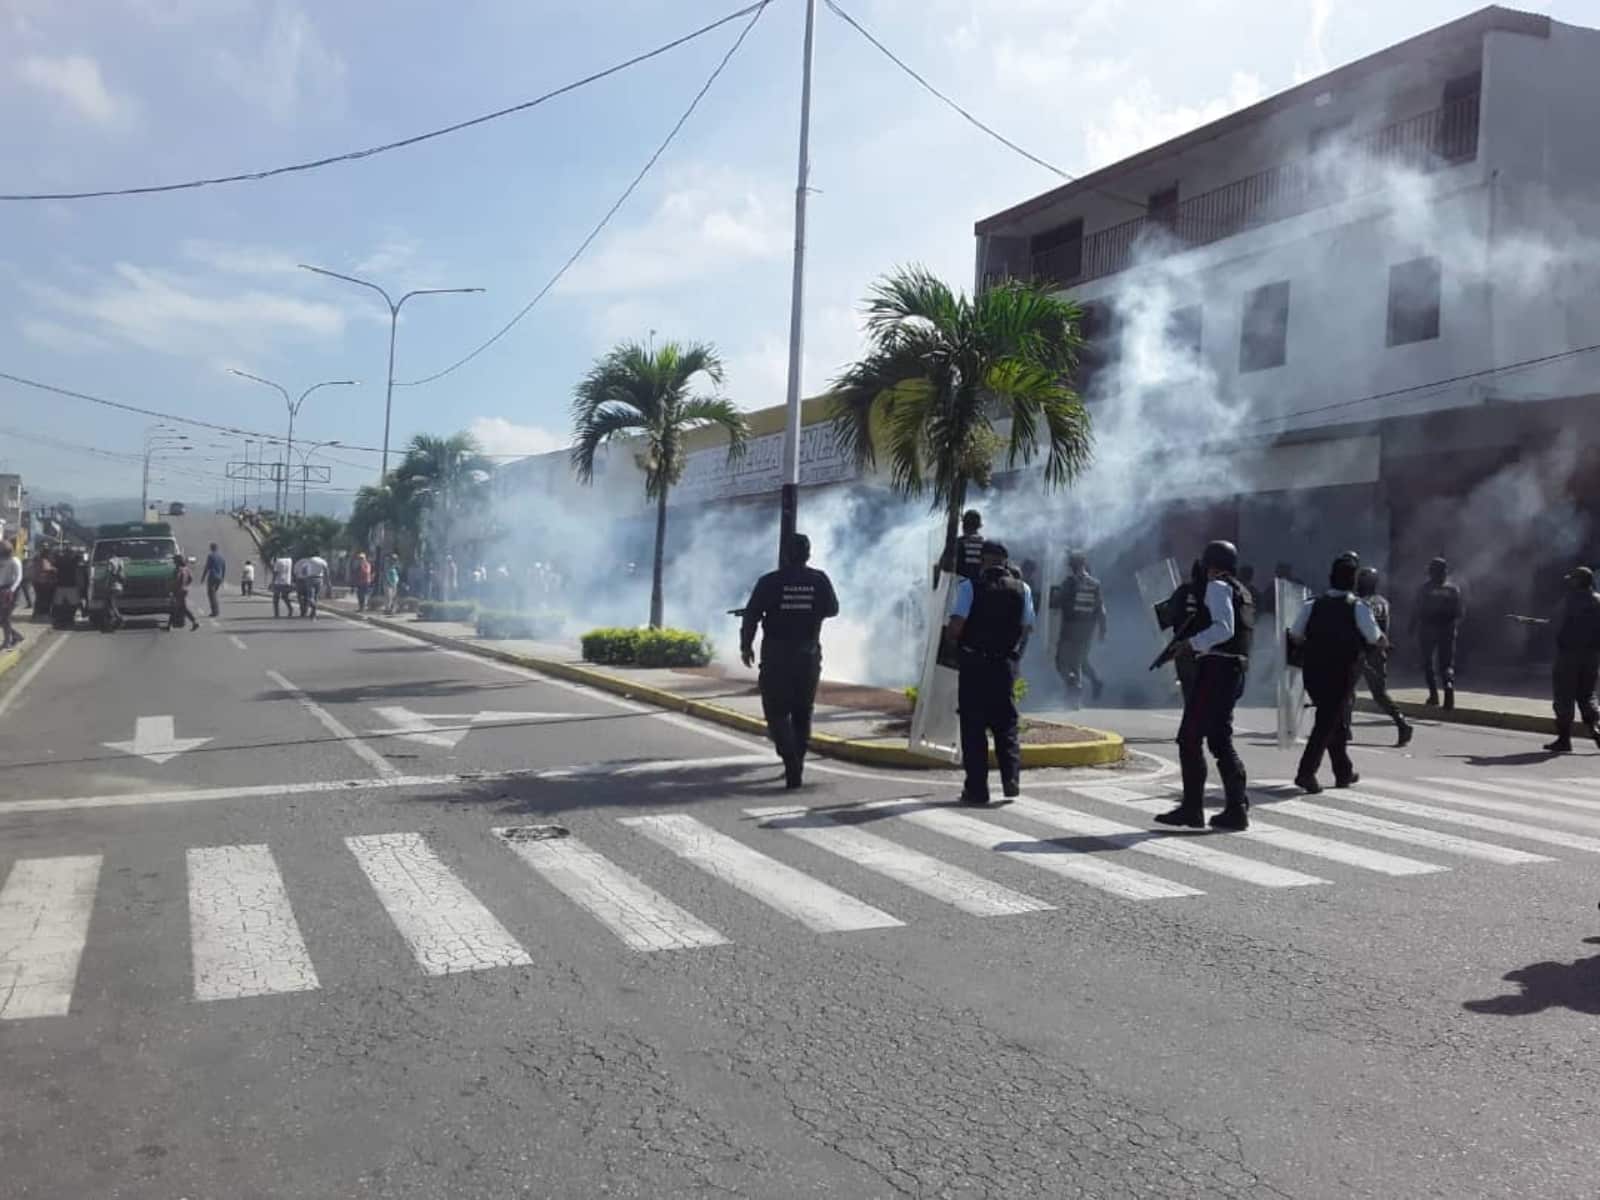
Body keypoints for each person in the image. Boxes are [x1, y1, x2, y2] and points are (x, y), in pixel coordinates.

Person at [1155, 540, 1254, 831]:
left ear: (1210, 564)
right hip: (1233, 669)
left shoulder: (1218, 587)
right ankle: (1236, 809)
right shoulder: (1242, 591)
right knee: (1220, 740)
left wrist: (1191, 643)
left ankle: (1192, 809)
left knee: (1189, 738)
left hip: (1216, 669)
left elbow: (1224, 628)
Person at [739, 533, 841, 789]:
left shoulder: (769, 582)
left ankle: (789, 758)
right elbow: (832, 609)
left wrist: (746, 645)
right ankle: (797, 763)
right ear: (808, 554)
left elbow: (751, 615)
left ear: (785, 554)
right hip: (807, 655)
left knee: (775, 711)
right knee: (802, 711)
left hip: (776, 655)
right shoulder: (819, 580)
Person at [946, 540, 1035, 806]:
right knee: (1006, 724)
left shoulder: (969, 587)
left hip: (975, 665)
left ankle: (977, 789)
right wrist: (1015, 656)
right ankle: (1011, 779)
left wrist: (955, 644)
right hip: (1005, 665)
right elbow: (1027, 627)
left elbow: (956, 627)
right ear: (1005, 562)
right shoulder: (1023, 588)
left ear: (983, 560)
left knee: (973, 727)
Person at [1289, 555, 1384, 793]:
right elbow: (1374, 637)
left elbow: (1296, 634)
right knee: (1326, 722)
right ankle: (1306, 773)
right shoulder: (1358, 606)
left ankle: (1343, 771)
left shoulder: (1313, 605)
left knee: (1335, 720)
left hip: (1313, 672)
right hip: (1341, 673)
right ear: (1352, 581)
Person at [1354, 567, 1412, 747]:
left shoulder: (1359, 603)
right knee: (1379, 694)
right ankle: (1401, 722)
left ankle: (1344, 727)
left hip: (1360, 651)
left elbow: (1359, 628)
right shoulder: (1383, 602)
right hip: (1378, 651)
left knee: (1347, 690)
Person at [1545, 565, 1600, 753]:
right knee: (1587, 695)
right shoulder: (1598, 601)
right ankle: (1595, 729)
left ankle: (1564, 739)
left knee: (1564, 696)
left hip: (1569, 655)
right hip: (1592, 656)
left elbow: (1555, 623)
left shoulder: (1568, 601)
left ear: (1578, 582)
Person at [1051, 550, 1107, 705]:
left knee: (1061, 662)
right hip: (1087, 631)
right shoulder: (1095, 584)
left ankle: (1074, 688)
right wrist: (1102, 629)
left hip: (1070, 628)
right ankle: (1079, 692)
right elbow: (1100, 609)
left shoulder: (1069, 583)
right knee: (1078, 662)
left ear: (1071, 566)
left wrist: (1054, 597)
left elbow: (1057, 601)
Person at [1411, 556, 1463, 709]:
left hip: (1427, 630)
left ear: (1431, 572)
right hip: (1447, 630)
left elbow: (1417, 610)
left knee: (1427, 663)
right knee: (1446, 665)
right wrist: (1453, 628)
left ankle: (1433, 695)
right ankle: (1448, 688)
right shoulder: (1453, 589)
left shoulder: (1424, 589)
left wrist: (1411, 627)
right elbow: (1460, 613)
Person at [168, 553, 200, 632]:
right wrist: (185, 585)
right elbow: (191, 579)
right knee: (177, 608)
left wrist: (172, 589)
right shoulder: (186, 568)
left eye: (175, 560)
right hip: (184, 590)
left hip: (178, 591)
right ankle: (168, 626)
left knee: (179, 608)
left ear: (178, 561)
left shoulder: (178, 569)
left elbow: (176, 581)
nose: (174, 561)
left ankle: (195, 622)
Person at [295, 550, 329, 618]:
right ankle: (313, 613)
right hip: (319, 579)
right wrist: (327, 581)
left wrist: (305, 577)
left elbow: (304, 570)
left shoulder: (309, 560)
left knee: (310, 597)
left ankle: (314, 607)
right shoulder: (322, 560)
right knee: (316, 596)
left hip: (310, 578)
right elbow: (326, 571)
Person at [0, 543, 21, 650]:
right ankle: (16, 636)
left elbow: (18, 577)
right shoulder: (1, 559)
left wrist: (11, 590)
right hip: (1, 589)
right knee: (2, 619)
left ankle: (7, 641)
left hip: (10, 591)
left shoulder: (15, 561)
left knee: (5, 617)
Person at [201, 542, 226, 618]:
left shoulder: (210, 556)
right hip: (219, 577)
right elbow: (224, 568)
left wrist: (203, 577)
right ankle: (216, 611)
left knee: (211, 595)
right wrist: (222, 578)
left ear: (211, 548)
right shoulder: (221, 557)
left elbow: (207, 567)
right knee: (214, 594)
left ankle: (215, 611)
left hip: (212, 576)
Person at [104, 553, 127, 630]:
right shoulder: (120, 560)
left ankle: (118, 619)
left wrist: (105, 584)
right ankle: (115, 619)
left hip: (112, 586)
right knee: (111, 604)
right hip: (119, 586)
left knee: (111, 604)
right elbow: (122, 573)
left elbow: (109, 573)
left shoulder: (110, 561)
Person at [269, 553, 295, 618]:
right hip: (287, 581)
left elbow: (275, 573)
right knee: (285, 597)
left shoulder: (278, 561)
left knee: (276, 598)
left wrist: (272, 582)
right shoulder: (289, 560)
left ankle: (276, 614)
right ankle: (290, 608)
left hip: (278, 582)